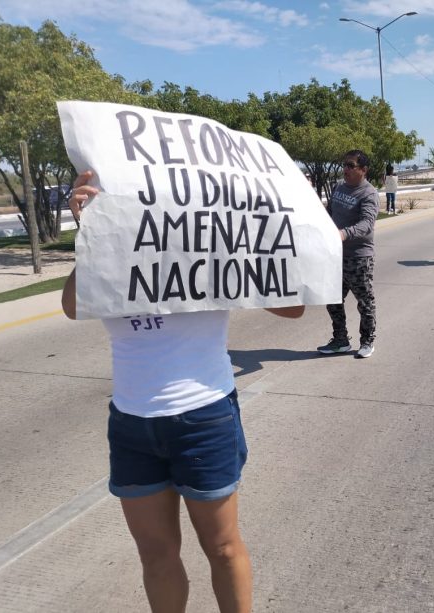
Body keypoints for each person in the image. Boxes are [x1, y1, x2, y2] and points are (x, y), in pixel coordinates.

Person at [62, 170, 305, 613]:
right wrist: (91, 235)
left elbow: (293, 306)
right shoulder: (110, 247)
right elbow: (73, 307)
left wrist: (238, 247)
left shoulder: (209, 243)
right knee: (155, 555)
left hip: (204, 418)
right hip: (132, 424)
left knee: (223, 548)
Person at [318, 150, 379, 358]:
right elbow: (329, 214)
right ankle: (340, 340)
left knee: (364, 301)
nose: (346, 169)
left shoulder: (368, 193)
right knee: (333, 299)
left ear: (363, 170)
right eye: (344, 164)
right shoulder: (338, 187)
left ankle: (367, 340)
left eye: (351, 166)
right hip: (335, 256)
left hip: (359, 257)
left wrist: (343, 234)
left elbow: (366, 224)